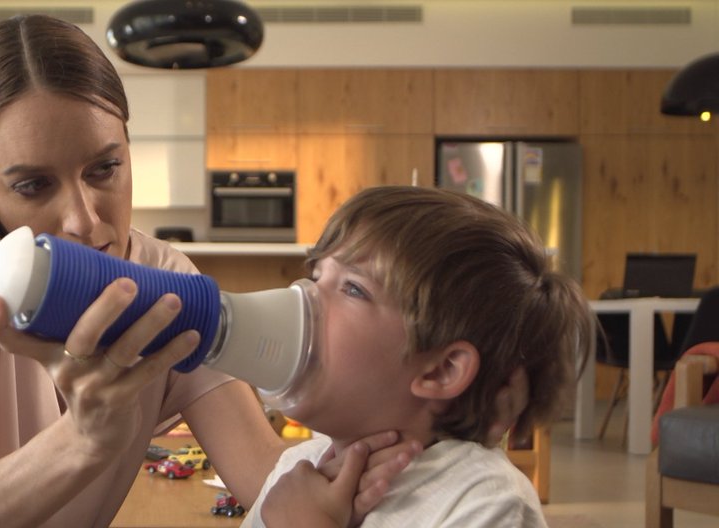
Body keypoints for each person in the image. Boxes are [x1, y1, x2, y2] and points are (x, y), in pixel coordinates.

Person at [0, 15, 531, 528]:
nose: (84, 221)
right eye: (31, 185)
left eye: (104, 169)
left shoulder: (168, 285)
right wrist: (83, 440)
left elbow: (262, 472)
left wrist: (343, 471)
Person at [242, 186, 594, 528]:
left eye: (353, 288)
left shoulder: (486, 500)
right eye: (316, 276)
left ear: (441, 371)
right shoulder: (298, 470)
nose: (306, 298)